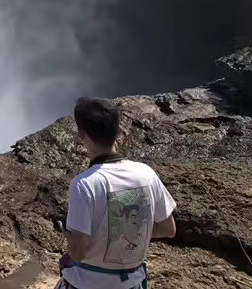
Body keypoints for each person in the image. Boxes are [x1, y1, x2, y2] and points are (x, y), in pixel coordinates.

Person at [57, 97, 176, 289]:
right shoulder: (146, 174)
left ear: (82, 134)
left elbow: (79, 252)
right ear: (119, 132)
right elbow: (168, 229)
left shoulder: (84, 185)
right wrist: (122, 235)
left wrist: (68, 236)